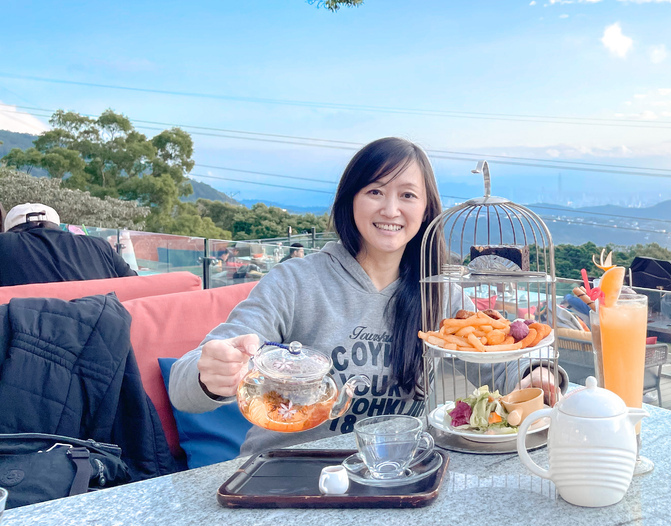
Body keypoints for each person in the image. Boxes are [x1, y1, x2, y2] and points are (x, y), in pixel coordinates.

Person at [169, 138, 563, 456]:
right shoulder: (296, 282)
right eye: (375, 190)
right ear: (351, 199)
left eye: (408, 195)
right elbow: (185, 386)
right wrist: (212, 375)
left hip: (394, 470)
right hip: (288, 471)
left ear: (426, 210)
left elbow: (501, 367)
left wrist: (538, 375)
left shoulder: (441, 296)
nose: (391, 208)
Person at [0, 203, 137, 287]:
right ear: (56, 226)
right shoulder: (101, 246)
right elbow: (136, 286)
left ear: (11, 230)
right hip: (100, 329)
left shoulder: (4, 244)